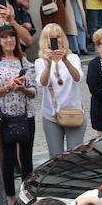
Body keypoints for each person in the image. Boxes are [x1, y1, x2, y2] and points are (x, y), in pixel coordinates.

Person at [0, 26, 35, 205]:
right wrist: (7, 87)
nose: (9, 40)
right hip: (5, 116)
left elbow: (34, 91)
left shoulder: (23, 60)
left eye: (12, 36)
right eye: (4, 37)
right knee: (8, 157)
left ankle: (27, 192)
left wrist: (22, 88)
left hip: (26, 114)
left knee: (27, 158)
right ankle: (10, 196)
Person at [35, 23, 86, 158]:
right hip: (51, 115)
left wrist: (65, 61)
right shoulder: (40, 61)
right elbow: (42, 83)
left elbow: (78, 78)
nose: (56, 40)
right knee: (55, 157)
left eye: (58, 37)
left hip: (74, 112)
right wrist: (48, 65)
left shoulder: (72, 58)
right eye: (51, 38)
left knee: (74, 156)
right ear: (45, 41)